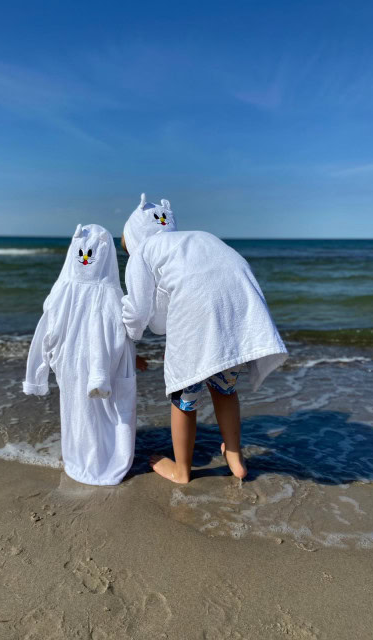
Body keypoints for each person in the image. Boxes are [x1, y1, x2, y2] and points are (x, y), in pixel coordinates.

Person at [121, 197, 288, 483]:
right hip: (238, 308)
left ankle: (182, 470)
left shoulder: (143, 252)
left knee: (184, 396)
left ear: (135, 237)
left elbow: (140, 308)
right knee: (224, 388)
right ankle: (235, 456)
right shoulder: (198, 238)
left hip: (198, 314)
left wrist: (130, 334)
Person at [23, 224, 137, 486]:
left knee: (79, 412)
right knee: (111, 412)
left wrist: (37, 375)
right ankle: (109, 463)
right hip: (109, 362)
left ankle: (80, 459)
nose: (86, 259)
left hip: (70, 362)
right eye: (82, 253)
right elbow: (124, 329)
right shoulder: (110, 291)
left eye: (90, 254)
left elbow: (45, 331)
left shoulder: (63, 290)